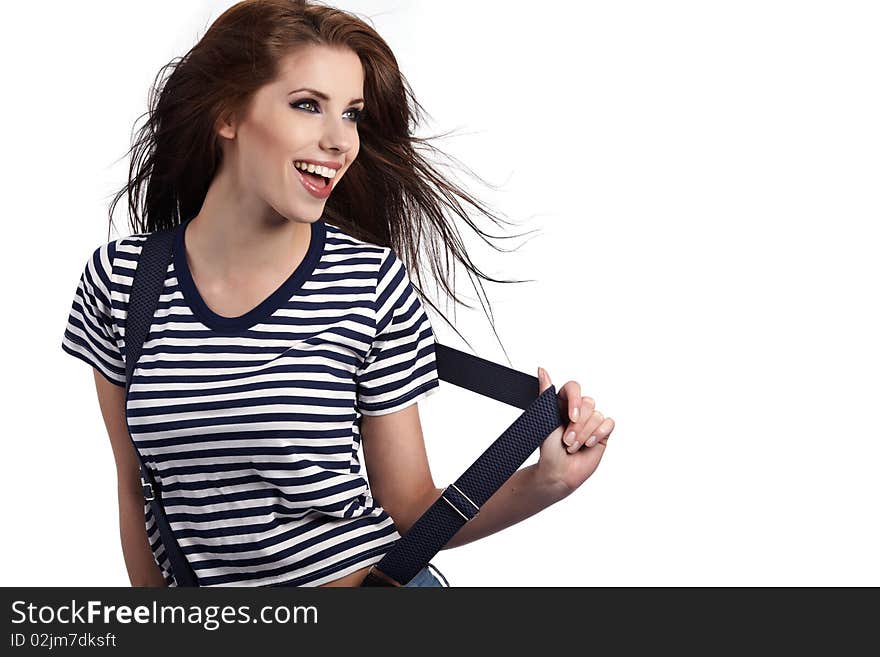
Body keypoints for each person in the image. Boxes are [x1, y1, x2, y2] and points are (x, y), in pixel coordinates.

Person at [60, 0, 615, 588]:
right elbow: (134, 488)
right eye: (307, 106)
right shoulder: (123, 281)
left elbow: (410, 508)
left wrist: (546, 482)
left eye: (351, 115)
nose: (340, 141)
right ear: (227, 115)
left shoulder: (372, 283)